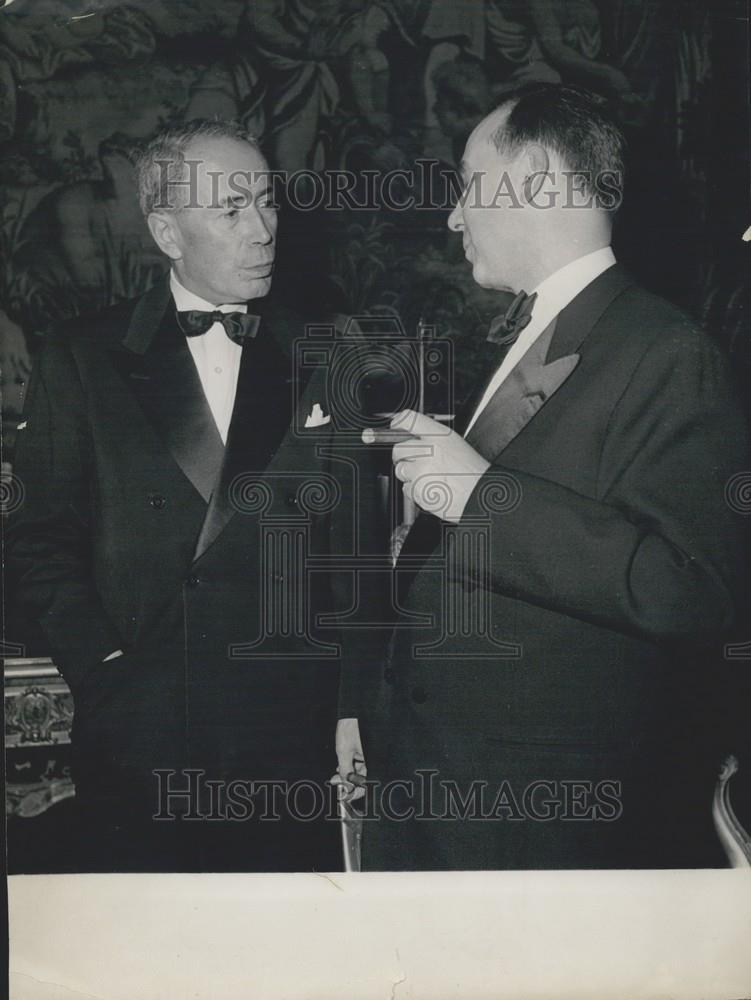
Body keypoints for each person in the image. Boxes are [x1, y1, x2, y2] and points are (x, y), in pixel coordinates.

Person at [336, 85, 749, 870]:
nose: (454, 216)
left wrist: (480, 499)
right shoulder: (533, 333)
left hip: (538, 821)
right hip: (439, 788)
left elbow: (695, 590)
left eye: (465, 182)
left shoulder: (668, 351)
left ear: (528, 177)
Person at [7, 119, 365, 873]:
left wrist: (349, 706)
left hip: (287, 737)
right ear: (167, 231)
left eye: (267, 202)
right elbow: (38, 538)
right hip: (144, 731)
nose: (264, 229)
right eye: (231, 210)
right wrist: (103, 667)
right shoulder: (82, 355)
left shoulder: (326, 346)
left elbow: (352, 555)